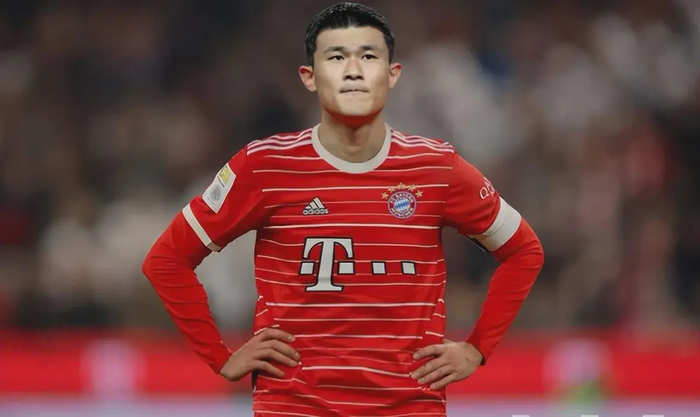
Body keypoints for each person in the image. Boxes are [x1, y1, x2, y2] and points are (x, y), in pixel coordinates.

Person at [141, 2, 544, 415]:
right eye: (336, 58)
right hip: (296, 408)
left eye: (368, 57)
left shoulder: (436, 168)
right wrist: (221, 356)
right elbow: (167, 259)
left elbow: (524, 250)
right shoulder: (264, 165)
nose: (353, 71)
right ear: (309, 77)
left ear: (393, 75)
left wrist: (476, 349)